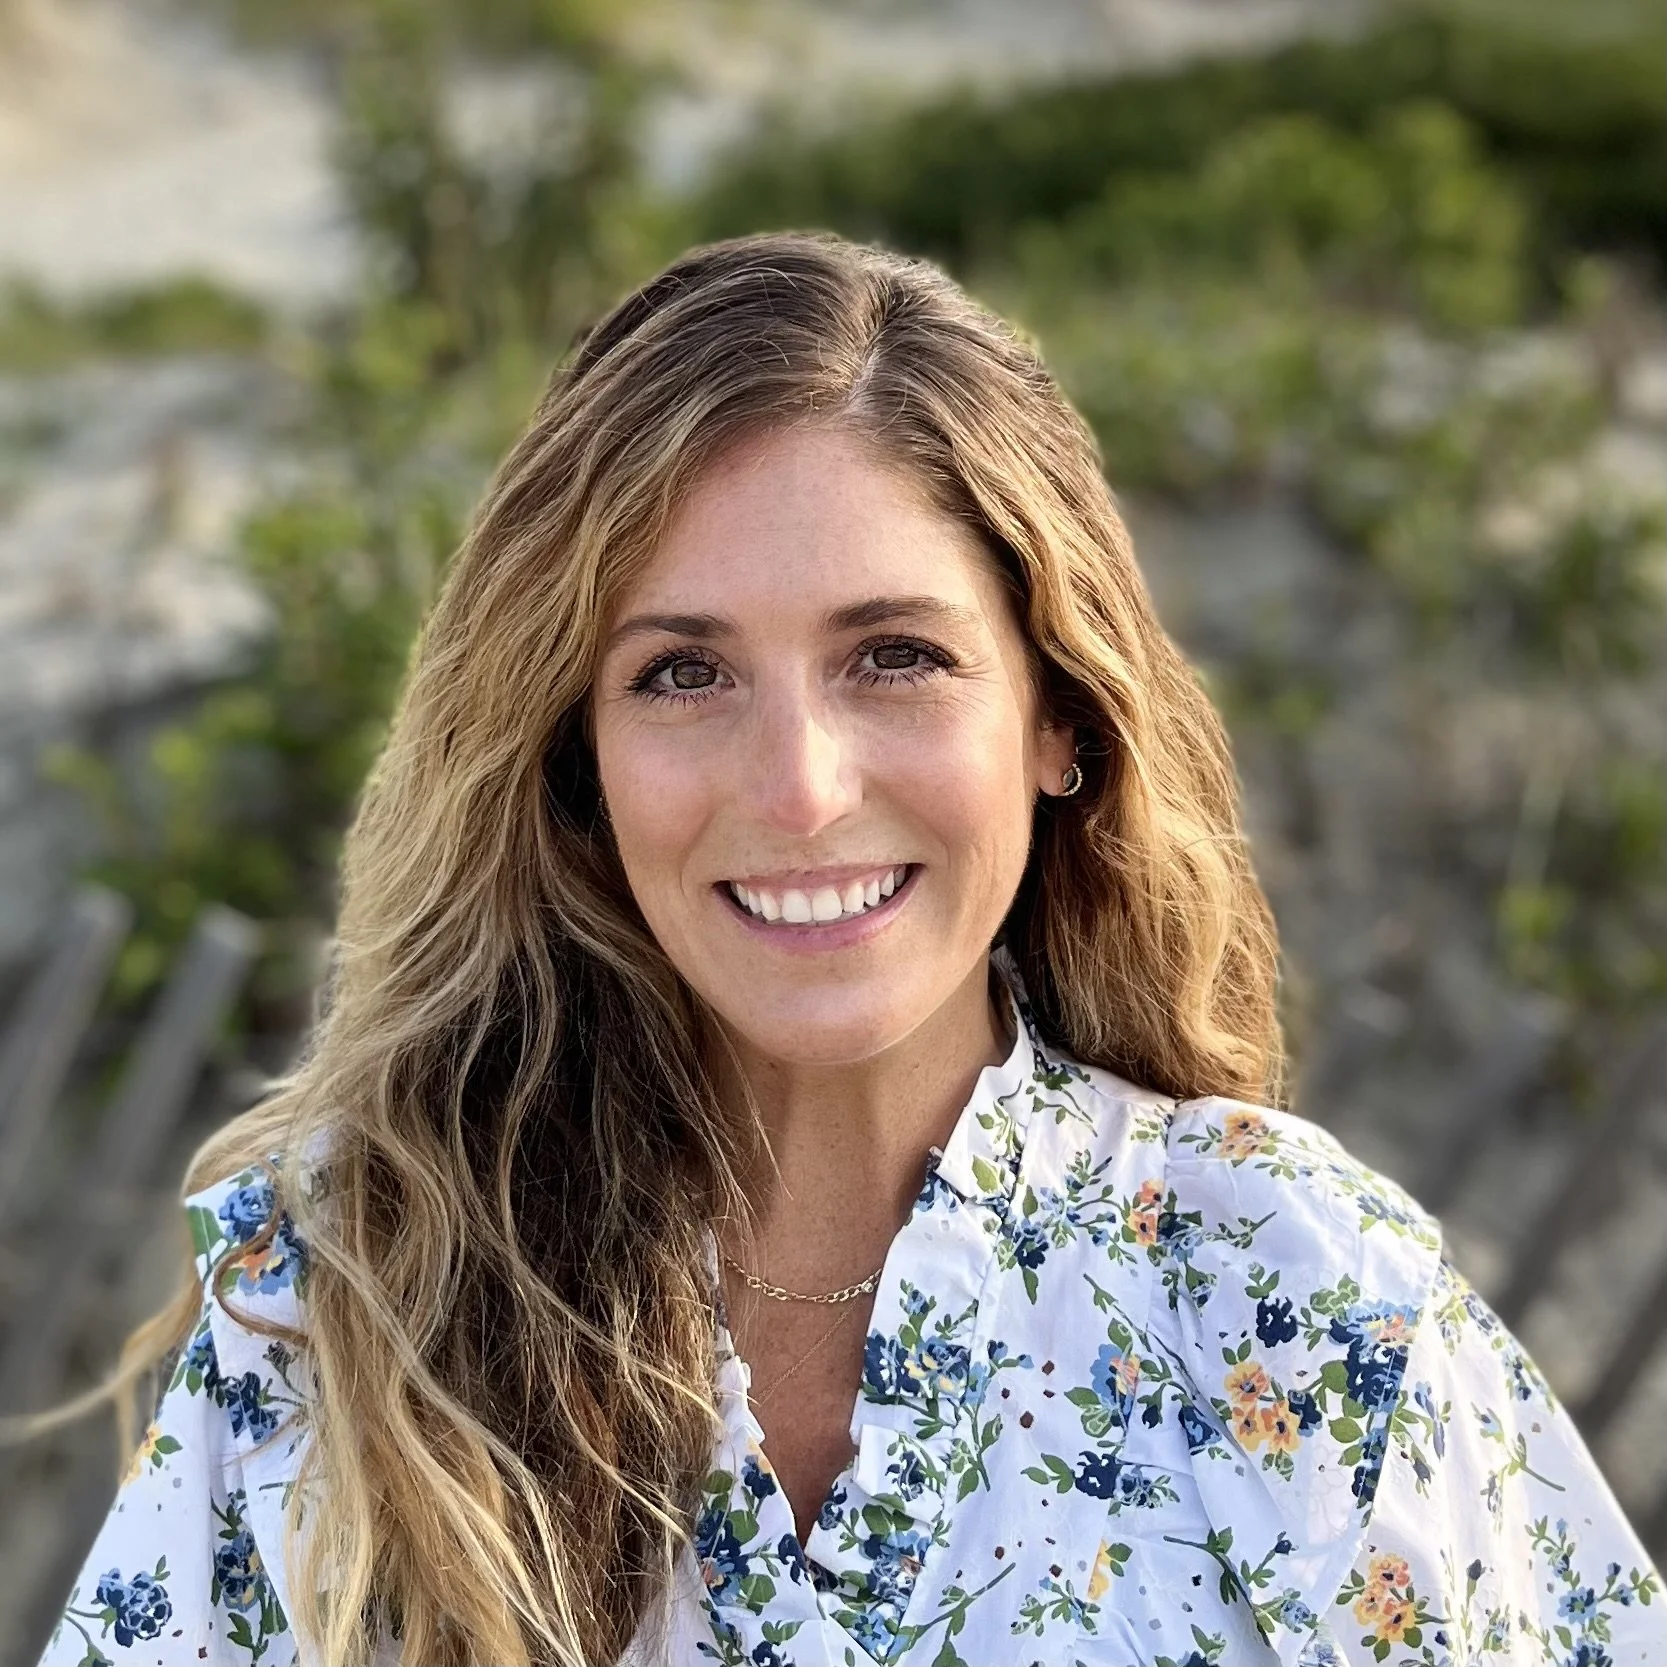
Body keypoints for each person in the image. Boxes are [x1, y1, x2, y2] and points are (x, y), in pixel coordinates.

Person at [35, 232, 1661, 1667]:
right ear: (574, 754)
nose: (801, 789)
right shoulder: (343, 1299)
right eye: (683, 673)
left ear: (1057, 718)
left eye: (893, 656)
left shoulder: (1295, 1291)